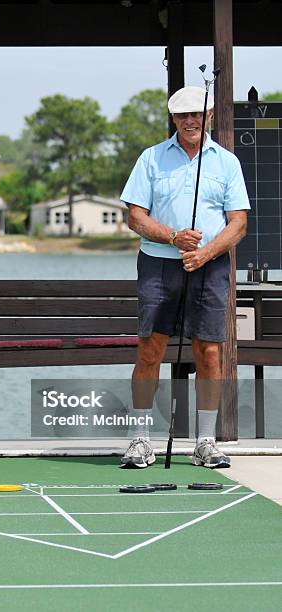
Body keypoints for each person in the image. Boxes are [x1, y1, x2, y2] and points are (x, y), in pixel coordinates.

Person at [120, 86, 250, 469]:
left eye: (197, 114)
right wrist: (174, 237)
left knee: (209, 351)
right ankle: (140, 440)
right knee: (150, 349)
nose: (190, 121)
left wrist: (205, 252)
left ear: (208, 116)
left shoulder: (227, 163)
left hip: (210, 265)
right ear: (173, 119)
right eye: (182, 115)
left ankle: (206, 442)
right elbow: (135, 217)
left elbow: (238, 223)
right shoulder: (151, 158)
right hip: (159, 263)